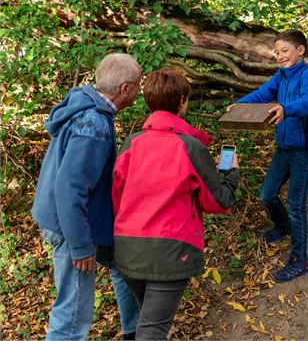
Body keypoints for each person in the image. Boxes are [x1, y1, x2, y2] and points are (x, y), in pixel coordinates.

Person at [112, 68, 240, 340]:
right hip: (170, 252)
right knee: (153, 329)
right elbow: (218, 200)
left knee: (150, 320)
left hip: (128, 249)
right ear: (182, 100)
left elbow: (116, 198)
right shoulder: (189, 147)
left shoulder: (132, 143)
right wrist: (232, 173)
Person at [31, 53, 141, 340]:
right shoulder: (93, 125)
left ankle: (135, 331)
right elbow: (70, 188)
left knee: (121, 265)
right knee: (72, 315)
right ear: (125, 89)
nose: (139, 93)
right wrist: (80, 246)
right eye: (138, 86)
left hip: (80, 218)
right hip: (71, 226)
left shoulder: (86, 106)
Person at [228, 29, 308, 282]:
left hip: (303, 150)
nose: (280, 56)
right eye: (277, 52)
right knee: (267, 194)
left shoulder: (307, 75)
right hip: (283, 148)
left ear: (300, 51)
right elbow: (262, 94)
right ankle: (283, 227)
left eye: (285, 51)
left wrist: (285, 108)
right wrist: (241, 104)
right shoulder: (280, 76)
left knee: (296, 206)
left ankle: (299, 261)